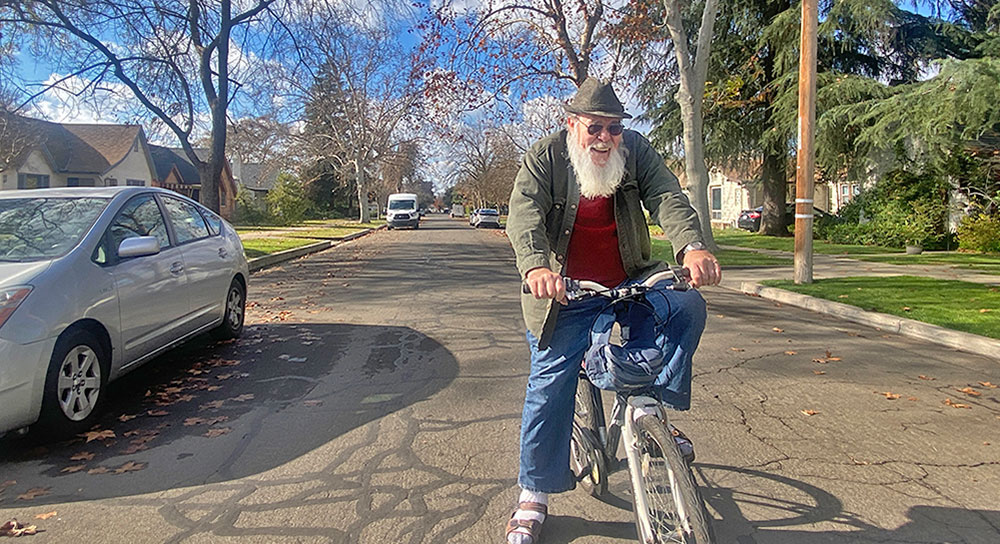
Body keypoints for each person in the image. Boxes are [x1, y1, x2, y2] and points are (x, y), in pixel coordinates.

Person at [503, 77, 722, 544]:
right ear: (572, 125)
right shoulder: (545, 158)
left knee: (685, 307)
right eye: (595, 128)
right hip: (566, 290)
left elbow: (667, 196)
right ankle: (533, 493)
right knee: (550, 382)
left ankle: (650, 413)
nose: (605, 138)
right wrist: (538, 266)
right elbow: (524, 214)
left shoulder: (635, 151)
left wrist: (692, 247)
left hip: (629, 277)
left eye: (614, 128)